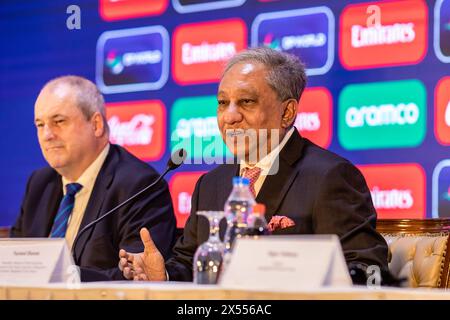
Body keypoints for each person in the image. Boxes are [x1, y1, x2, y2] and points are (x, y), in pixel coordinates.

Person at [119, 47, 389, 284]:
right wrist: (162, 275)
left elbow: (367, 269)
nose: (230, 116)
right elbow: (189, 265)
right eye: (223, 103)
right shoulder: (210, 184)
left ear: (287, 113)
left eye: (246, 102)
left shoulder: (330, 177)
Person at [11, 76, 176, 281]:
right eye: (40, 124)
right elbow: (14, 263)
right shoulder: (39, 184)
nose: (47, 135)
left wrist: (62, 277)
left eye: (59, 121)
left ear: (96, 124)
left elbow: (138, 276)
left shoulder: (140, 186)